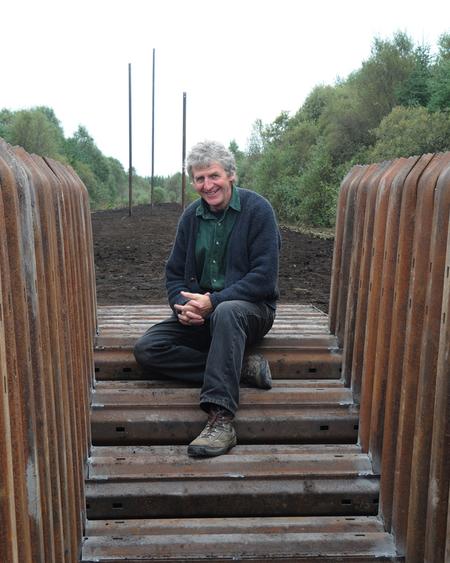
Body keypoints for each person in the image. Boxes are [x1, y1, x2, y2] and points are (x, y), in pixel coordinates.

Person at [134, 140, 281, 458]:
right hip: (204, 313)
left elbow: (263, 279)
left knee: (227, 311)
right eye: (200, 179)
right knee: (147, 349)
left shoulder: (258, 211)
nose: (207, 185)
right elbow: (174, 273)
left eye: (213, 175)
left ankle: (221, 421)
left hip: (250, 311)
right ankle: (240, 368)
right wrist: (182, 306)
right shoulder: (191, 217)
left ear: (231, 175)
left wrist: (214, 301)